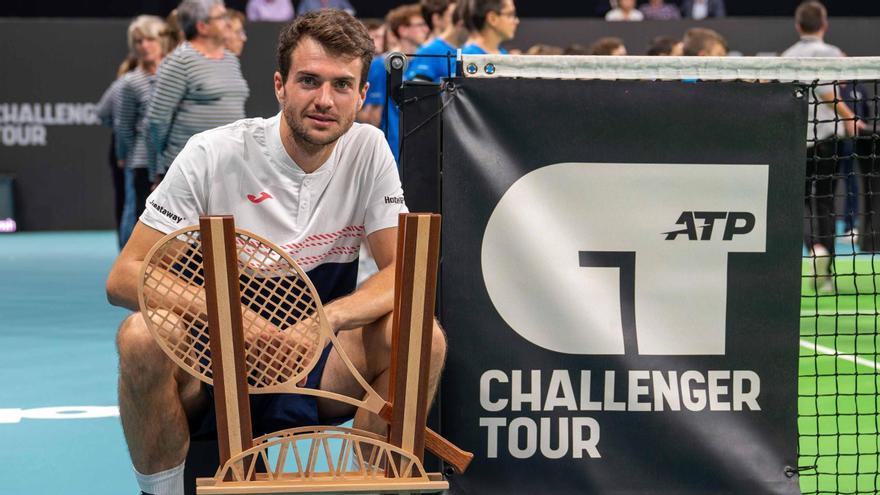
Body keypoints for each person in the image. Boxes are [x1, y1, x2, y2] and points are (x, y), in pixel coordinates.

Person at [106, 10, 447, 495]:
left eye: (342, 85)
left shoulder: (368, 150)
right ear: (280, 86)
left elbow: (403, 272)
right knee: (141, 335)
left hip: (314, 359)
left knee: (421, 336)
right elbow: (124, 275)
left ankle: (380, 486)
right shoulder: (211, 154)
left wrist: (323, 321)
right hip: (212, 361)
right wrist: (238, 323)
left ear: (362, 94)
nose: (325, 100)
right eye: (309, 81)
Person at [782, 0, 859, 292]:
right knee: (824, 200)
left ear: (798, 25)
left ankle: (813, 249)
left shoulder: (787, 56)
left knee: (800, 201)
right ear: (824, 25)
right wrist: (850, 118)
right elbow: (828, 91)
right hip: (828, 139)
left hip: (799, 139)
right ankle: (824, 270)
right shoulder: (831, 54)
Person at [146, 0, 249, 184]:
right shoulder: (180, 62)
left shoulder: (231, 60)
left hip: (227, 169)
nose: (228, 22)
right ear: (202, 27)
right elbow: (156, 120)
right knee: (192, 216)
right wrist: (162, 170)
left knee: (219, 215)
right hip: (188, 172)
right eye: (221, 17)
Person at [114, 15, 167, 247]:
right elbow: (123, 125)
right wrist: (123, 156)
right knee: (141, 223)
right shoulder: (129, 83)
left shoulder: (175, 74)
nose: (144, 46)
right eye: (138, 41)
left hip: (171, 159)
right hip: (142, 163)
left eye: (149, 39)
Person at [360, 4, 429, 163]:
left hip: (416, 151)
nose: (426, 29)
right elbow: (372, 117)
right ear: (403, 30)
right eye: (420, 25)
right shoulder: (382, 64)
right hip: (390, 153)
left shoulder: (422, 62)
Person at [96, 56, 138, 248]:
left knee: (126, 201)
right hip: (126, 153)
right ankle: (127, 251)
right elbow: (103, 114)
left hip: (128, 152)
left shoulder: (120, 84)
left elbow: (103, 114)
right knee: (129, 203)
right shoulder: (122, 86)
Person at [405, 1, 469, 82]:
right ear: (436, 19)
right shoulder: (428, 51)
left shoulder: (466, 48)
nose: (457, 20)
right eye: (452, 15)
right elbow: (416, 92)